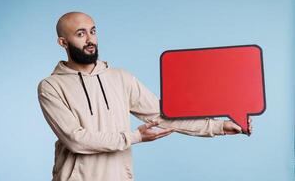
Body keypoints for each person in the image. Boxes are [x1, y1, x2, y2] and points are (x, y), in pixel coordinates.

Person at [37, 12, 252, 181]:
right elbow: (76, 139)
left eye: (93, 31)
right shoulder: (51, 87)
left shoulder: (120, 77)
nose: (90, 39)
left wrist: (219, 127)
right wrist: (135, 137)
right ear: (63, 43)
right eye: (81, 34)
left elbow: (163, 115)